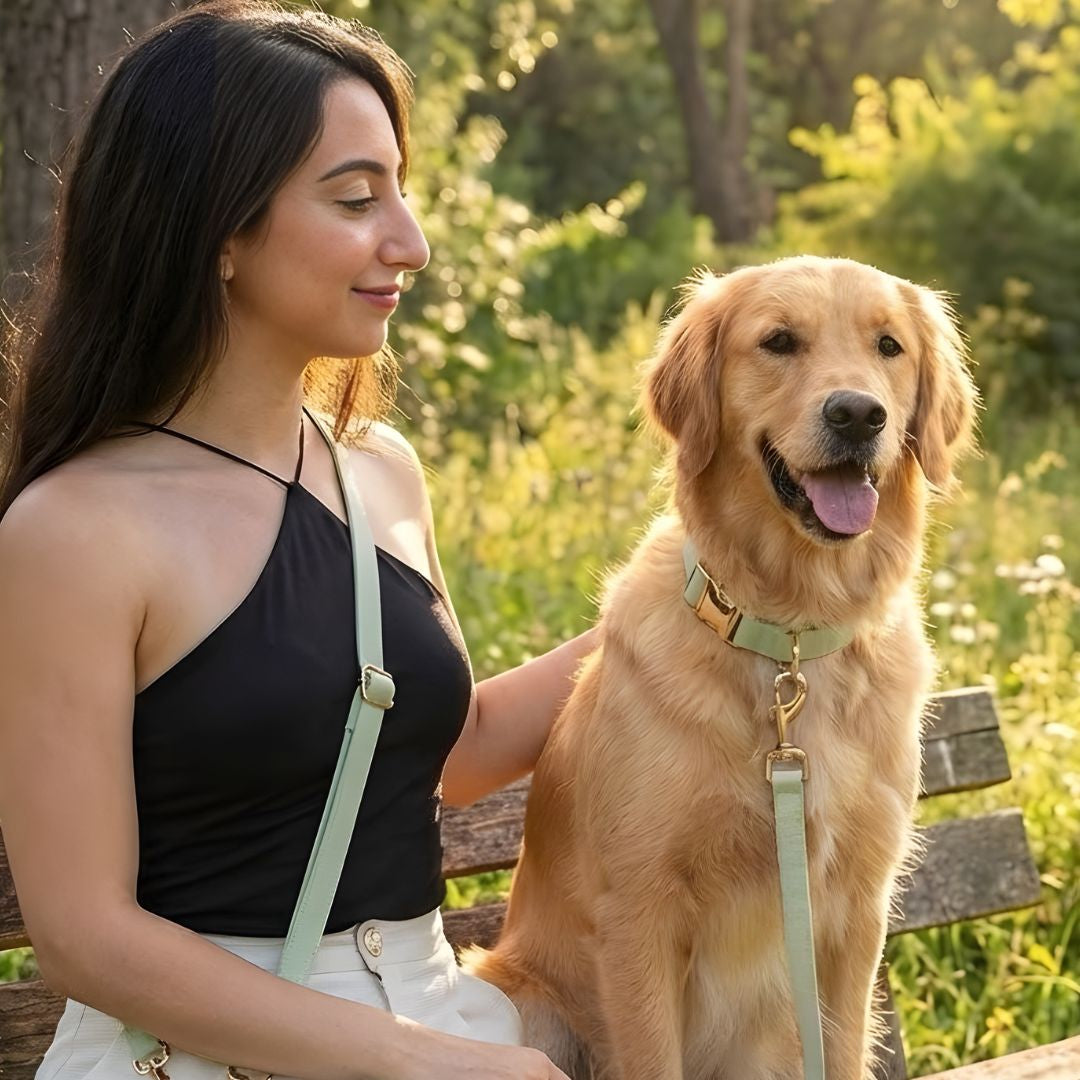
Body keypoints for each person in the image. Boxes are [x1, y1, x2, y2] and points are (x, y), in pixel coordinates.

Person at [0, 2, 596, 1077]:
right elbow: (84, 935)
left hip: (440, 1017)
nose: (408, 242)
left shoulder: (379, 470)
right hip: (207, 1052)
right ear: (219, 230)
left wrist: (689, 606)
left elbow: (438, 758)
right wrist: (417, 1063)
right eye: (358, 199)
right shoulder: (73, 532)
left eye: (400, 194)